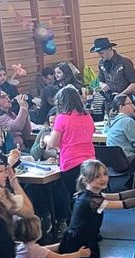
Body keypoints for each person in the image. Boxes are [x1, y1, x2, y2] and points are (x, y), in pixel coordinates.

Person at [43, 85, 95, 240]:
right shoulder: (87, 116)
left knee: (76, 199)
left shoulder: (62, 118)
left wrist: (45, 138)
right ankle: (94, 230)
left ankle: (79, 231)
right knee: (90, 197)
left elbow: (53, 142)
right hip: (90, 160)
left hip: (71, 162)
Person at [105, 94, 135, 187]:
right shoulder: (128, 121)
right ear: (121, 107)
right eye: (130, 103)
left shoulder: (111, 120)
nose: (133, 106)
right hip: (127, 159)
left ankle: (131, 186)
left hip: (113, 161)